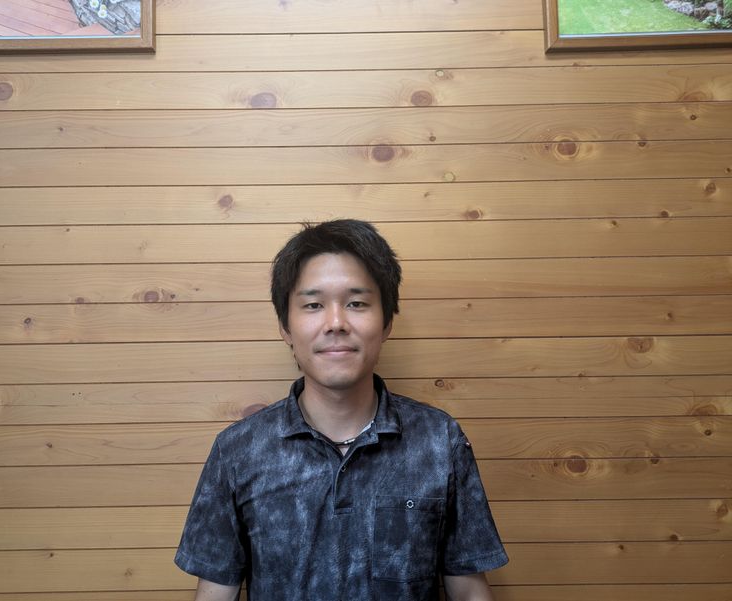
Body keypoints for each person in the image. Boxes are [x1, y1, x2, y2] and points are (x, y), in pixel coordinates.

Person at [175, 219, 508, 601]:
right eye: (313, 305)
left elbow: (469, 592)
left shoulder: (439, 441)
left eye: (357, 303)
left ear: (386, 322)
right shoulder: (238, 451)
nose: (336, 323)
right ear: (285, 327)